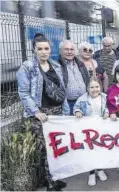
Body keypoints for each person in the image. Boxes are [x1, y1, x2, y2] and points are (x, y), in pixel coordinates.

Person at [16, 34, 68, 191]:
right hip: (41, 114)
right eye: (40, 49)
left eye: (46, 48)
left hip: (57, 112)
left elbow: (61, 89)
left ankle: (54, 178)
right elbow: (24, 92)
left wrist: (65, 110)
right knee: (45, 149)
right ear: (34, 50)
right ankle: (49, 183)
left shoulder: (55, 65)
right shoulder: (27, 67)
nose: (44, 52)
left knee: (57, 146)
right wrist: (35, 111)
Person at [69, 77, 109, 186]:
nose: (94, 89)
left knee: (100, 150)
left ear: (100, 87)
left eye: (97, 87)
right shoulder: (82, 99)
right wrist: (77, 111)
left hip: (101, 129)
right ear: (87, 88)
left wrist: (107, 112)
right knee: (90, 151)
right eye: (92, 87)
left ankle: (100, 170)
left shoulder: (105, 97)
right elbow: (76, 108)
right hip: (88, 130)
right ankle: (91, 173)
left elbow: (109, 107)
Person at [58, 40, 90, 115]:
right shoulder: (57, 66)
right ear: (60, 51)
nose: (69, 52)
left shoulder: (80, 64)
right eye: (66, 49)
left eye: (71, 49)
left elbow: (87, 80)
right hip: (68, 104)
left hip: (83, 102)